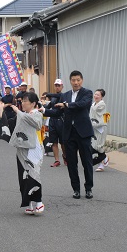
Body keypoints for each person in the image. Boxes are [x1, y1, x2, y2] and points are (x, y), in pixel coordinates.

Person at [41, 70, 94, 199]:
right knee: (71, 163)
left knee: (87, 162)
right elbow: (57, 112)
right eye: (73, 80)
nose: (76, 82)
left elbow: (82, 105)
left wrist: (67, 105)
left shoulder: (87, 93)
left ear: (82, 80)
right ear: (70, 81)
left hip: (84, 132)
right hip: (69, 133)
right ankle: (76, 189)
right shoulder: (65, 95)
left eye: (78, 80)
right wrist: (43, 110)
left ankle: (88, 188)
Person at [0, 92, 44, 215]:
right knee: (23, 176)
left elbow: (37, 125)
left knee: (34, 174)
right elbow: (10, 124)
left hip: (34, 149)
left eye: (25, 101)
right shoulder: (21, 115)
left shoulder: (37, 114)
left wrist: (19, 112)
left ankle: (38, 202)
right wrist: (1, 110)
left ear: (33, 103)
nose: (22, 103)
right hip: (21, 149)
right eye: (22, 101)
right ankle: (28, 203)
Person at [44, 79, 67, 167]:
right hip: (52, 121)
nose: (57, 87)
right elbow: (48, 106)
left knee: (62, 142)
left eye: (59, 85)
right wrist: (40, 105)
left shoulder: (63, 95)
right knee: (54, 141)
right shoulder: (53, 98)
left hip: (60, 120)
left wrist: (48, 94)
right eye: (56, 85)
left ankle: (65, 156)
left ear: (62, 87)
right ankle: (57, 160)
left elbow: (59, 95)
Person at [90, 89, 109, 172]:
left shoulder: (102, 105)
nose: (96, 96)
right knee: (95, 145)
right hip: (94, 127)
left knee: (98, 146)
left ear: (101, 97)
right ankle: (103, 160)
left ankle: (103, 160)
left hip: (100, 127)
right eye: (95, 94)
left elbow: (102, 116)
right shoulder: (94, 104)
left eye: (98, 95)